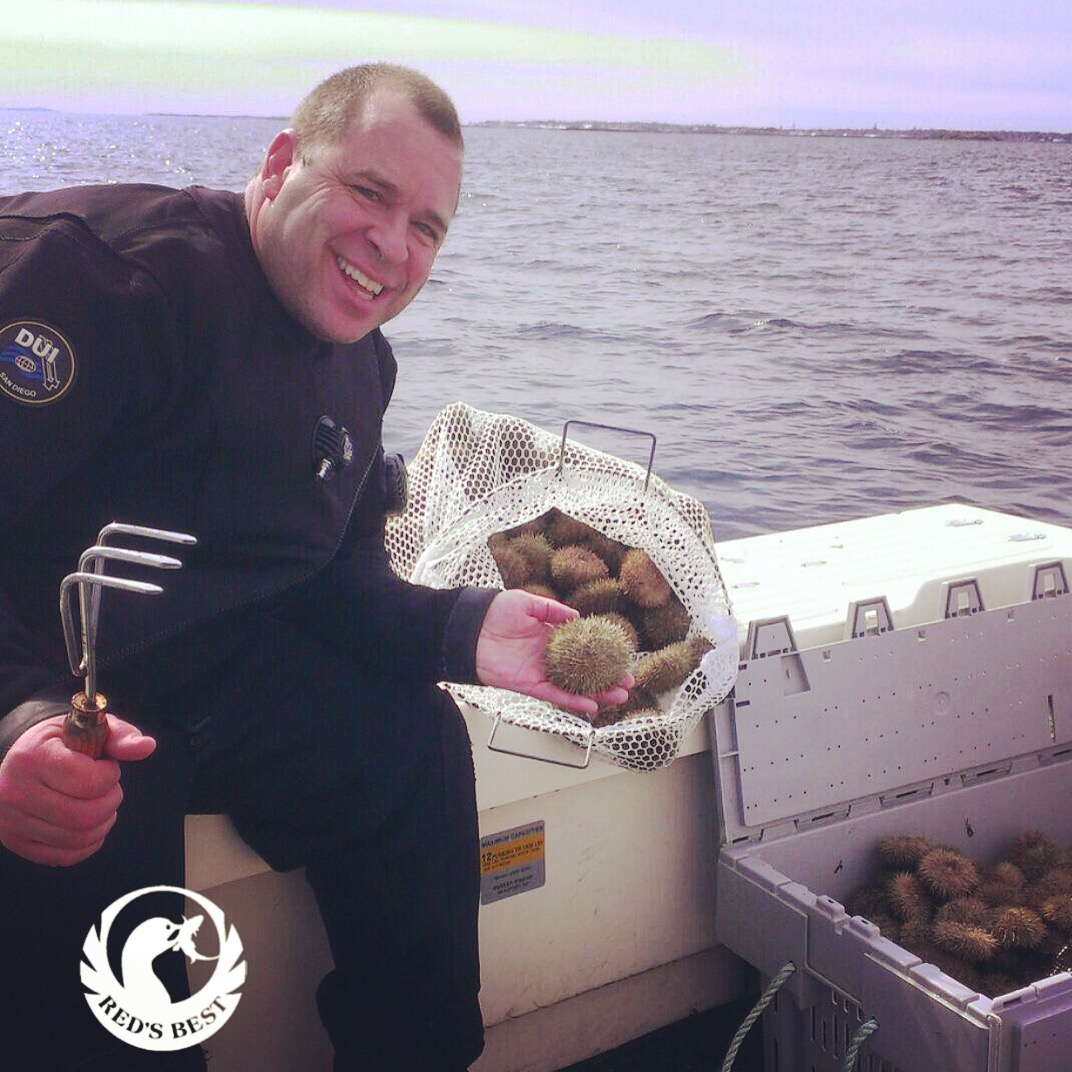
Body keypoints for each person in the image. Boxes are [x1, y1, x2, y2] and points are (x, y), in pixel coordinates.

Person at [0, 64, 630, 1072]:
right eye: (370, 192)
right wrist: (19, 719)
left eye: (427, 228)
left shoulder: (361, 361)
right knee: (123, 982)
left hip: (206, 673)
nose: (392, 245)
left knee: (413, 740)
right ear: (281, 162)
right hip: (53, 691)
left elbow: (331, 578)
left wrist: (462, 628)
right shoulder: (97, 278)